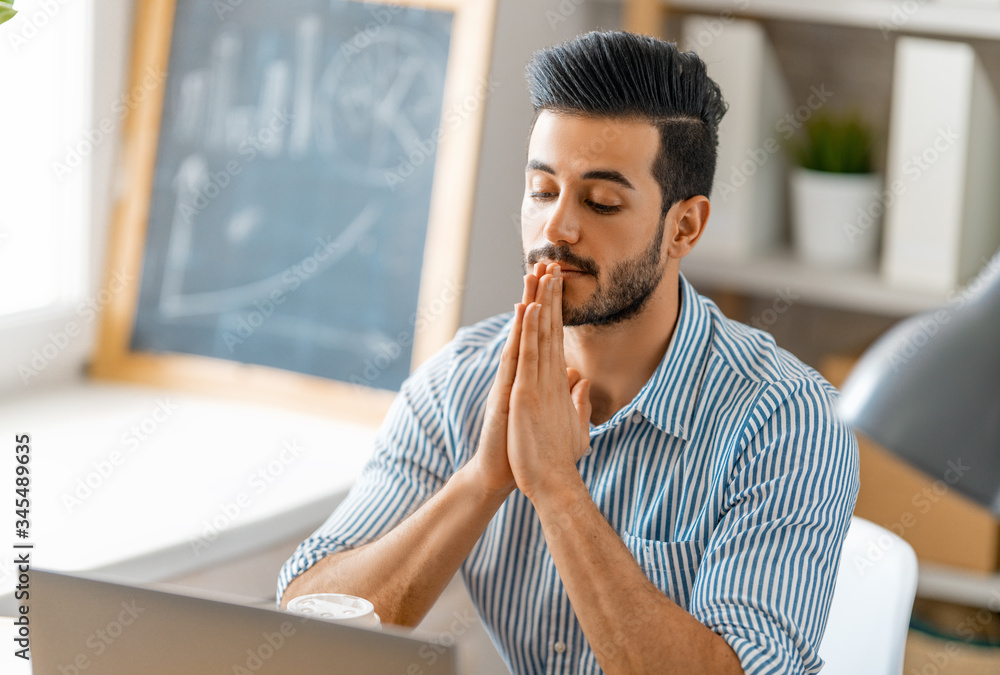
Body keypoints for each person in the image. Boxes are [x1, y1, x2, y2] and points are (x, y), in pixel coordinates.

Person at [278, 30, 859, 675]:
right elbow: (306, 620)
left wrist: (557, 488)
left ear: (685, 227)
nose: (556, 229)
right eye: (542, 190)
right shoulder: (460, 382)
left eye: (601, 201)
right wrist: (483, 480)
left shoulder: (788, 418)